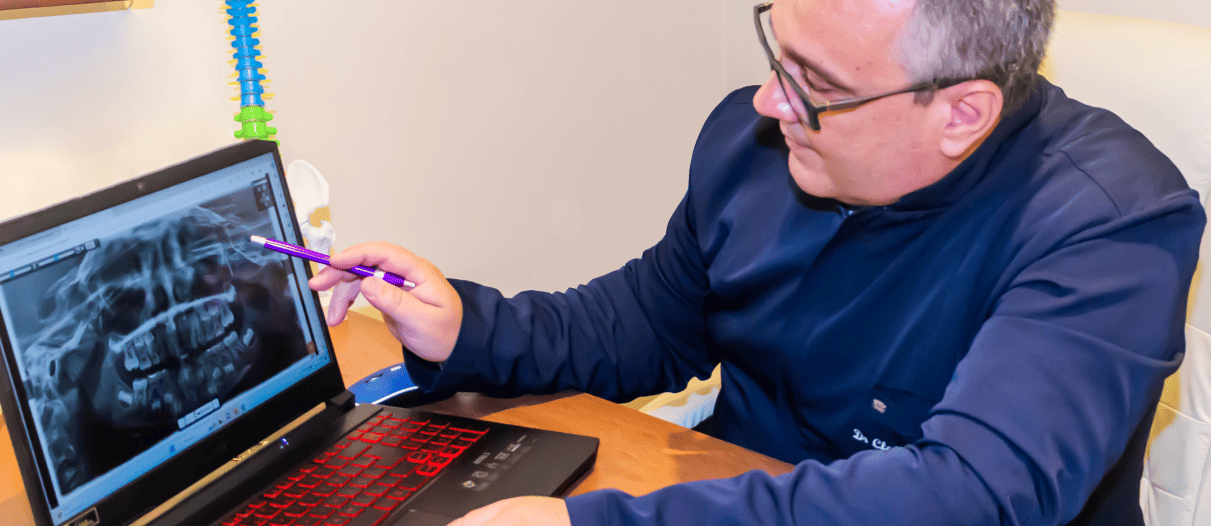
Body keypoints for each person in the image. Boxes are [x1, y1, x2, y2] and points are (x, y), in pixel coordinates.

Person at [310, 0, 1206, 524]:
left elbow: (972, 496)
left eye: (816, 86)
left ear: (960, 114)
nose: (768, 101)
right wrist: (468, 328)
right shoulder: (760, 143)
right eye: (777, 52)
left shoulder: (1111, 226)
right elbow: (648, 322)